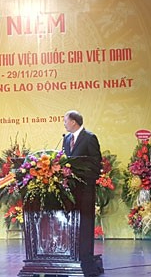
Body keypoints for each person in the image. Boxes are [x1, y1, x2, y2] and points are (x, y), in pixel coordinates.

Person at [62, 110, 102, 276]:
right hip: (70, 189)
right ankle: (72, 253)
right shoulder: (66, 139)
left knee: (85, 222)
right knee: (72, 222)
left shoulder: (89, 137)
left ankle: (85, 257)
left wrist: (83, 175)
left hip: (85, 188)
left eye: (65, 121)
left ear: (73, 122)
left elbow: (96, 162)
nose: (64, 123)